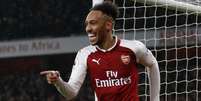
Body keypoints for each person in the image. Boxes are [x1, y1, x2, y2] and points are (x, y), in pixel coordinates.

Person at [40, 1, 160, 101]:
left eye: (93, 23)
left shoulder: (133, 48)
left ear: (108, 25)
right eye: (87, 24)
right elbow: (71, 92)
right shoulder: (85, 54)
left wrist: (155, 99)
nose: (88, 29)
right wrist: (58, 81)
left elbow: (152, 63)